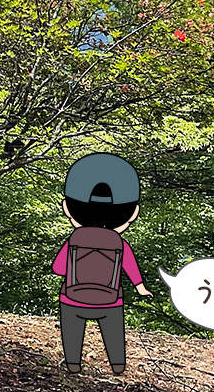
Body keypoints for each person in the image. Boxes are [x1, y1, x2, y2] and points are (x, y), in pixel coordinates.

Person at [51, 152, 151, 376]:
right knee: (113, 333)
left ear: (68, 207)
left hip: (72, 298)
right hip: (110, 301)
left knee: (72, 331)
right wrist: (140, 288)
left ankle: (73, 363)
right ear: (133, 212)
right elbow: (131, 267)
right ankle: (117, 364)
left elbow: (58, 268)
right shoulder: (119, 242)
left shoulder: (74, 239)